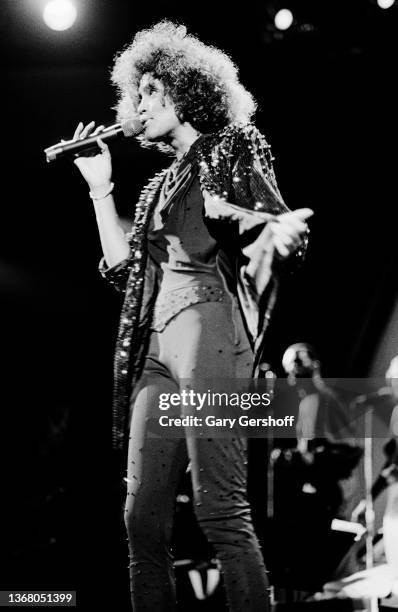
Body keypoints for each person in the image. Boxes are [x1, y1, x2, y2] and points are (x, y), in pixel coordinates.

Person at [68, 21, 312, 611]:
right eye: (137, 96)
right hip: (154, 349)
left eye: (151, 92)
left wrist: (276, 234)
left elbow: (260, 216)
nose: (139, 106)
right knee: (140, 523)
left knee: (220, 508)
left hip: (209, 327)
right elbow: (125, 270)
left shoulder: (232, 144)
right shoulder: (154, 188)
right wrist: (102, 190)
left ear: (184, 91)